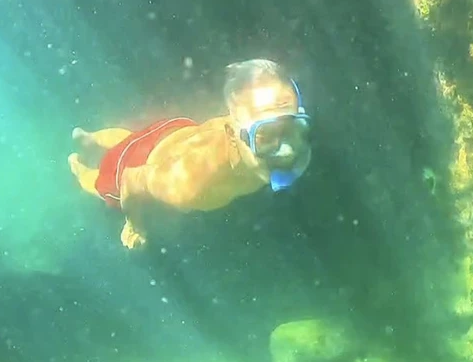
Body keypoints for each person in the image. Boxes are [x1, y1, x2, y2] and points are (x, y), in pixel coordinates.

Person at [68, 58, 311, 249]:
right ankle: (78, 166)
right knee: (102, 184)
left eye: (294, 127)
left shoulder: (259, 131)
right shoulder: (189, 186)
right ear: (232, 133)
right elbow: (131, 179)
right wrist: (135, 225)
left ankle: (89, 138)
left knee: (133, 139)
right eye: (265, 136)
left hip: (175, 131)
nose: (289, 151)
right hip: (146, 162)